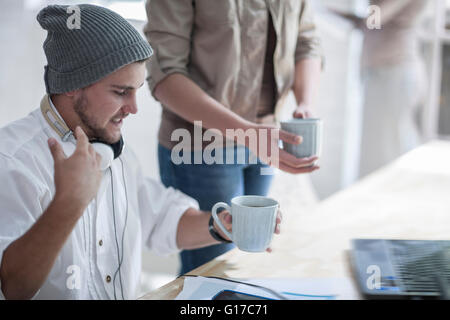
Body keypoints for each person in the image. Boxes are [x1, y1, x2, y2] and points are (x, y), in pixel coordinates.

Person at [0, 4, 282, 300]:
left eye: (136, 91)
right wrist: (67, 205)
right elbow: (12, 287)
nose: (134, 108)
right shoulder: (11, 161)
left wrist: (224, 225)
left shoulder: (115, 151)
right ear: (72, 85)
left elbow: (161, 220)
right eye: (121, 92)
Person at [144, 0, 323, 275]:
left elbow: (307, 41)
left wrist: (305, 103)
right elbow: (165, 74)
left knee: (248, 259)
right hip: (199, 147)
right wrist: (245, 132)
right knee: (214, 271)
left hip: (263, 140)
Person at [332, 0, 428, 177]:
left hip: (394, 73)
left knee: (390, 150)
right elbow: (368, 22)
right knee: (380, 147)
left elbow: (373, 20)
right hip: (383, 72)